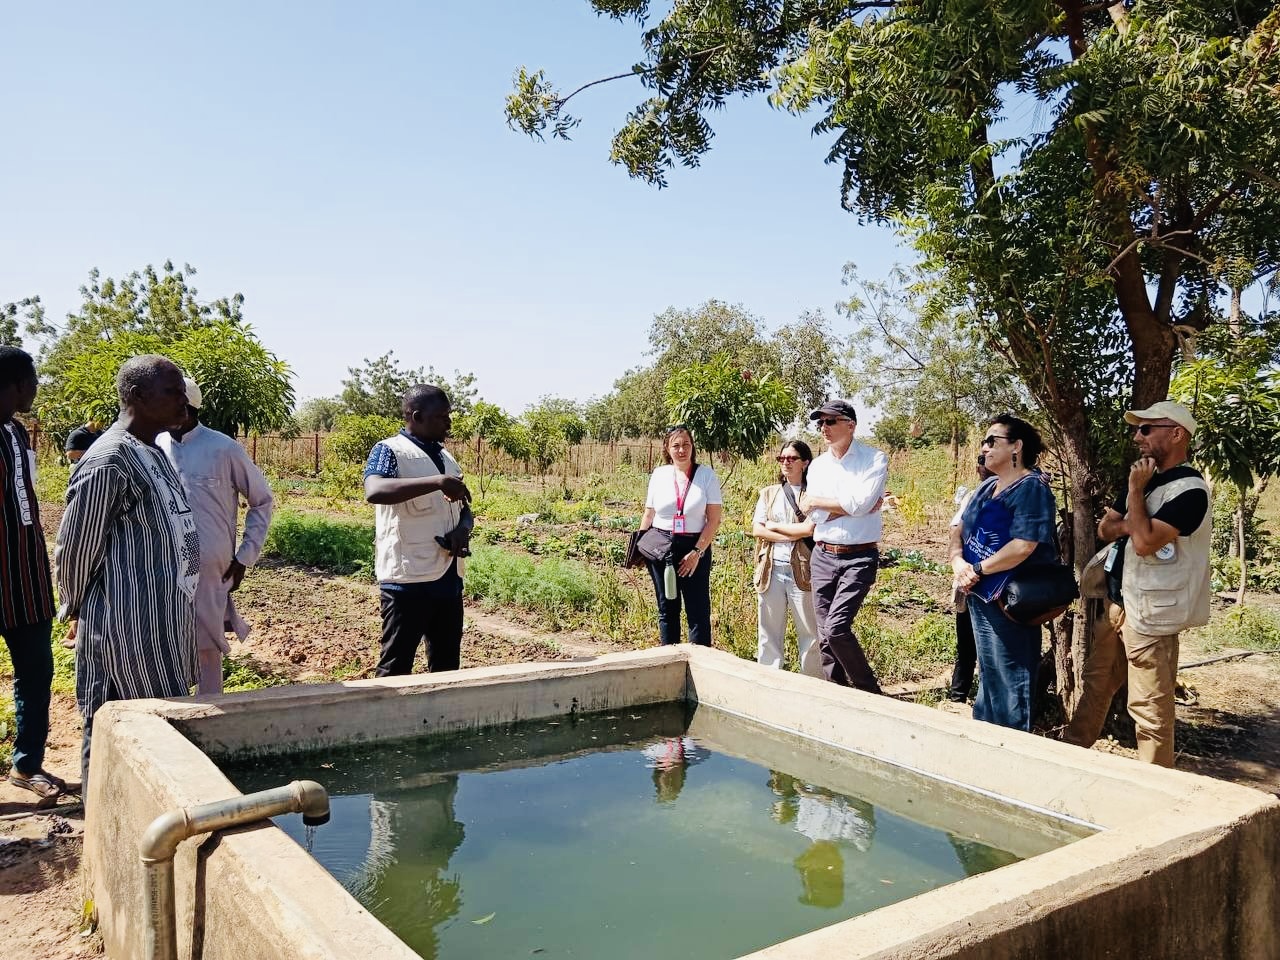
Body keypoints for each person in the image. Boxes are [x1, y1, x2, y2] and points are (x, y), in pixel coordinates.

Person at [55, 355, 199, 795]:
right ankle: (103, 829)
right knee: (114, 731)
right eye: (172, 391)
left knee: (154, 733)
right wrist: (77, 607)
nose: (183, 400)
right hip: (127, 630)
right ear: (137, 396)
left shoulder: (151, 451)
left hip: (162, 626)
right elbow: (76, 547)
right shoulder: (111, 459)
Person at [1062, 401, 1210, 767]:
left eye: (1146, 429)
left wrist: (1134, 501)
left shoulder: (1190, 491)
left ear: (1176, 434)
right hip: (1118, 604)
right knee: (1095, 687)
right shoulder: (1143, 482)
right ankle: (1068, 757)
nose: (1136, 437)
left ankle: (1156, 788)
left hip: (1152, 615)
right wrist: (1138, 516)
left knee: (1150, 709)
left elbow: (1144, 544)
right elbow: (1105, 528)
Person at [157, 378, 274, 695]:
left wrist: (244, 558)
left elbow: (262, 501)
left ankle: (210, 718)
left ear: (187, 407)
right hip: (160, 563)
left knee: (207, 646)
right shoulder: (153, 447)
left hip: (212, 567)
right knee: (163, 640)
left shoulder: (224, 448)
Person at [951, 415, 1058, 731]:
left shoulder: (1031, 489)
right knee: (990, 673)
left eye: (991, 440)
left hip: (1010, 601)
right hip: (978, 594)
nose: (984, 447)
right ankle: (984, 742)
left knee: (1011, 677)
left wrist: (979, 568)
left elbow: (1023, 546)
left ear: (1017, 447)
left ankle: (1010, 750)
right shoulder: (986, 487)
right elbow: (959, 529)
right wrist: (959, 563)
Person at [0, 347, 70, 806]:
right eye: (31, 381)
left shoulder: (17, 432)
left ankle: (26, 764)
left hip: (23, 576)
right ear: (14, 385)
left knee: (36, 672)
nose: (35, 389)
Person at [364, 384, 472, 676]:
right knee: (396, 667)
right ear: (416, 416)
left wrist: (463, 529)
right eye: (441, 416)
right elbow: (375, 490)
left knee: (447, 666)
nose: (448, 423)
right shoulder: (389, 451)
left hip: (448, 578)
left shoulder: (446, 457)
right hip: (408, 581)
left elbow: (465, 508)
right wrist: (437, 482)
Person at [800, 401, 887, 694]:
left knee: (837, 628)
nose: (824, 428)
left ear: (850, 425)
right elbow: (813, 513)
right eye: (820, 423)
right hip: (823, 554)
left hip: (859, 556)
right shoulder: (818, 466)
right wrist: (851, 506)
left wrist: (828, 503)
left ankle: (869, 692)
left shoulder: (874, 459)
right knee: (825, 635)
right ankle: (835, 693)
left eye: (831, 421)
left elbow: (860, 503)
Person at [638, 425, 723, 646]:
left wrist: (697, 552)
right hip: (661, 546)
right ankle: (669, 661)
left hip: (695, 546)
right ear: (667, 448)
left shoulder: (705, 475)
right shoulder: (659, 474)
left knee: (698, 612)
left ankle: (699, 667)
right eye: (676, 445)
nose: (681, 450)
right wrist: (640, 547)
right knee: (667, 608)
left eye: (686, 444)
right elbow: (649, 514)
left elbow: (713, 519)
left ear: (692, 446)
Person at [752, 440, 822, 678]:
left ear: (805, 463)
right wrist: (788, 534)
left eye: (792, 459)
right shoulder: (768, 493)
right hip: (770, 569)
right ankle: (768, 678)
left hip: (801, 571)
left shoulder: (812, 495)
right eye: (782, 459)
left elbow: (808, 530)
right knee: (768, 631)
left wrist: (774, 527)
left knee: (809, 632)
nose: (786, 463)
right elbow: (758, 530)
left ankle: (812, 682)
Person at [945, 454, 995, 706]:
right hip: (969, 581)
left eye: (987, 458)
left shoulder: (1018, 494)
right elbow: (957, 532)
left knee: (991, 649)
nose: (981, 464)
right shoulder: (972, 497)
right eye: (979, 458)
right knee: (966, 644)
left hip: (996, 585)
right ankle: (957, 697)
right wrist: (962, 565)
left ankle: (985, 704)